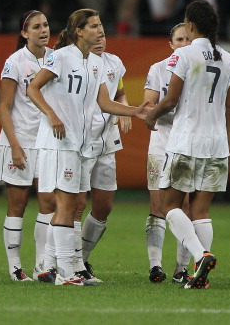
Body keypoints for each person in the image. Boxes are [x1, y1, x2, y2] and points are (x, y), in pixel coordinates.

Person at [27, 8, 149, 286]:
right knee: (67, 206)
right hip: (59, 144)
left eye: (100, 24)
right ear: (79, 31)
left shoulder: (95, 64)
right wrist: (51, 114)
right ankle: (64, 272)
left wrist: (135, 112)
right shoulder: (60, 57)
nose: (99, 29)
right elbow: (33, 88)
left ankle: (70, 269)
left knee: (74, 205)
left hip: (81, 146)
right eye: (93, 25)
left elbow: (104, 103)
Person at [146, 0, 230, 289]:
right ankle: (201, 275)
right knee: (201, 210)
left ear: (191, 25)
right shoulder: (229, 59)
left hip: (186, 141)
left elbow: (171, 99)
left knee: (168, 204)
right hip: (218, 144)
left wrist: (152, 115)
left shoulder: (184, 55)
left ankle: (201, 256)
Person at [0, 10, 54, 282]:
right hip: (19, 140)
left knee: (48, 202)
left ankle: (42, 264)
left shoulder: (56, 58)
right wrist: (15, 146)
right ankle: (15, 267)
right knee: (17, 204)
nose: (43, 30)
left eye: (45, 25)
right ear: (24, 33)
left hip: (46, 141)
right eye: (36, 27)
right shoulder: (15, 62)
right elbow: (4, 107)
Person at [75, 35, 132, 282]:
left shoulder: (114, 62)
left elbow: (119, 92)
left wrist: (126, 107)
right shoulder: (72, 61)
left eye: (102, 33)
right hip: (80, 141)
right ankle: (69, 262)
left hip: (107, 140)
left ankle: (82, 259)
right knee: (75, 205)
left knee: (104, 206)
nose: (99, 38)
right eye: (93, 32)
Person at [144, 23, 192, 284]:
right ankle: (155, 266)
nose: (184, 43)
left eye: (188, 38)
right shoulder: (159, 69)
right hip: (161, 144)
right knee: (157, 205)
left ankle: (181, 268)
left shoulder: (199, 70)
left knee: (184, 207)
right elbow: (149, 103)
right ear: (171, 44)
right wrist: (165, 110)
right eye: (179, 39)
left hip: (187, 146)